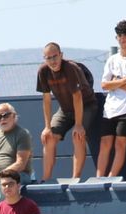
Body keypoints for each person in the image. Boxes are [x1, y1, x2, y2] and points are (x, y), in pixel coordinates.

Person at [34, 43, 97, 182]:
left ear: (61, 55)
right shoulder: (43, 71)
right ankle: (46, 179)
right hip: (65, 109)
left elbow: (77, 96)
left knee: (77, 135)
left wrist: (79, 124)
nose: (52, 61)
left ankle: (75, 179)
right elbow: (46, 99)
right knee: (49, 138)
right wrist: (47, 127)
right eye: (48, 58)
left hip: (86, 106)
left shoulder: (71, 68)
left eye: (55, 56)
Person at [98, 21, 126, 178]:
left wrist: (115, 82)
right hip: (109, 109)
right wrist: (123, 80)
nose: (122, 39)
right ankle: (99, 178)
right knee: (105, 144)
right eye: (120, 35)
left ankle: (112, 178)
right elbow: (104, 84)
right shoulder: (112, 60)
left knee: (120, 144)